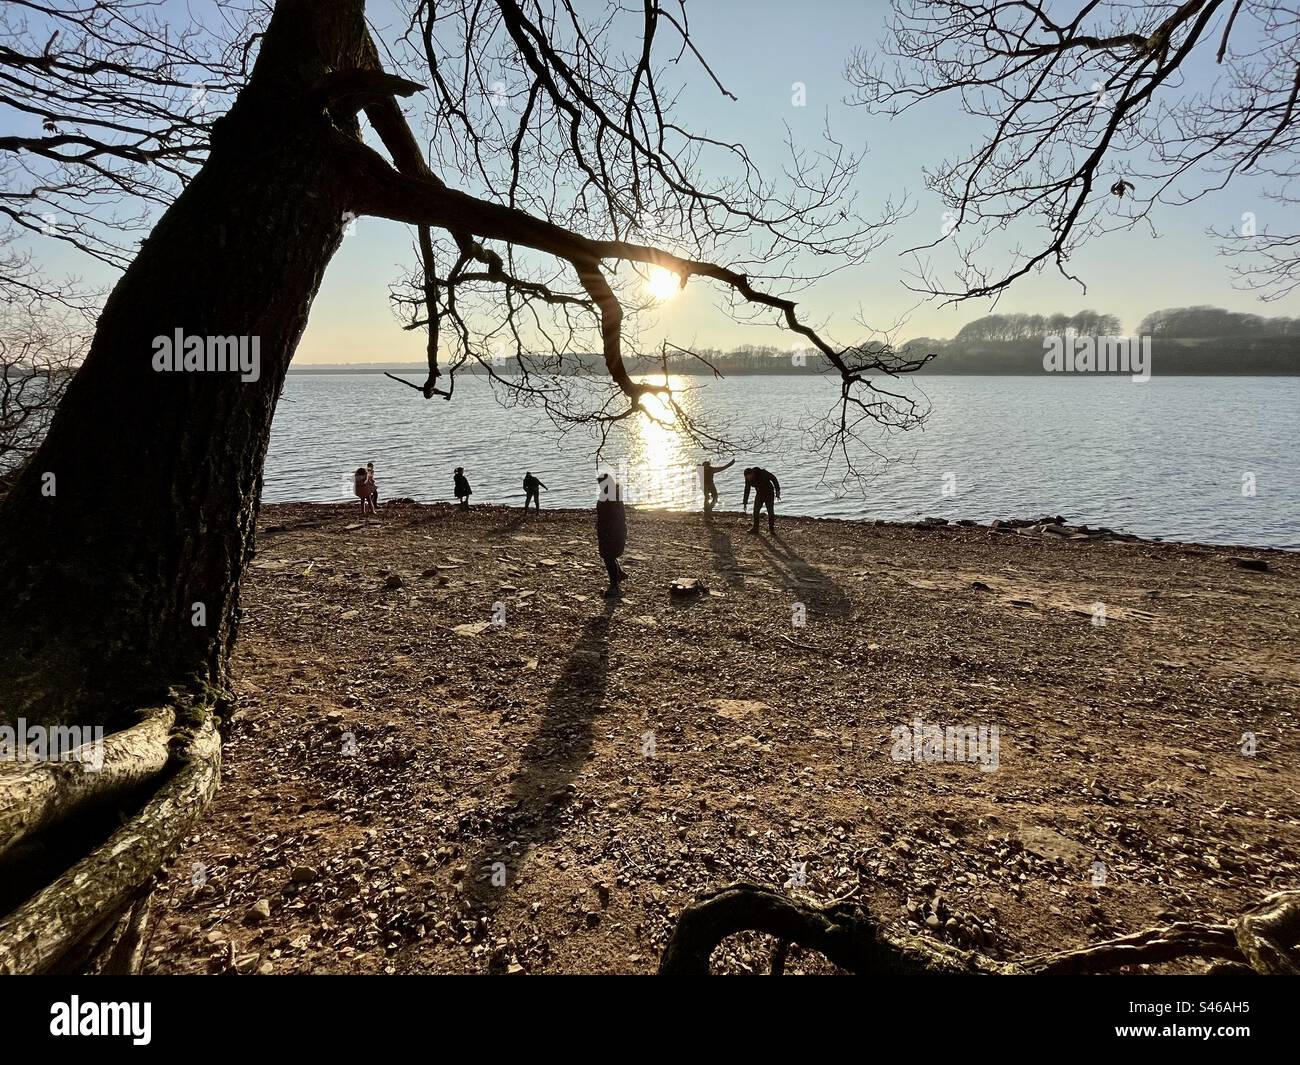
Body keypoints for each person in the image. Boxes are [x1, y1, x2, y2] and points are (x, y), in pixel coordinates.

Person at [595, 471, 628, 595]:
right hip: (612, 530)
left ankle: (614, 586)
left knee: (608, 556)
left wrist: (608, 531)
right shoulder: (612, 493)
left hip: (612, 531)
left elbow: (613, 517)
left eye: (601, 483)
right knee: (609, 555)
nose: (599, 486)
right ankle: (618, 573)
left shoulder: (611, 497)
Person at [742, 466, 781, 535]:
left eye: (748, 477)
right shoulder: (748, 479)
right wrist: (745, 502)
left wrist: (777, 490)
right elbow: (747, 490)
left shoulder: (763, 473)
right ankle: (755, 529)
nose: (747, 479)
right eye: (746, 477)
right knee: (756, 511)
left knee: (770, 511)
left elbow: (774, 478)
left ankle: (771, 529)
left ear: (752, 474)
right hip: (760, 494)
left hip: (769, 493)